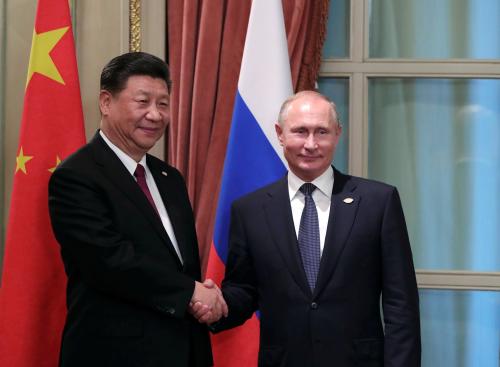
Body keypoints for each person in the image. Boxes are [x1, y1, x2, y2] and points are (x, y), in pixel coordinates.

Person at [193, 91, 421, 366]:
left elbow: (401, 305)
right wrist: (218, 306)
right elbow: (244, 288)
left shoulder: (378, 203)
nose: (311, 144)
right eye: (300, 131)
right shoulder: (250, 210)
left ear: (338, 134)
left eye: (321, 132)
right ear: (280, 134)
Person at [48, 52, 226, 367]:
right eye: (142, 102)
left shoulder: (169, 178)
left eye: (163, 104)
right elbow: (109, 261)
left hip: (183, 350)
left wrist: (199, 296)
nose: (155, 115)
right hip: (115, 354)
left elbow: (182, 266)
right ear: (106, 102)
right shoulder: (77, 176)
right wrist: (191, 292)